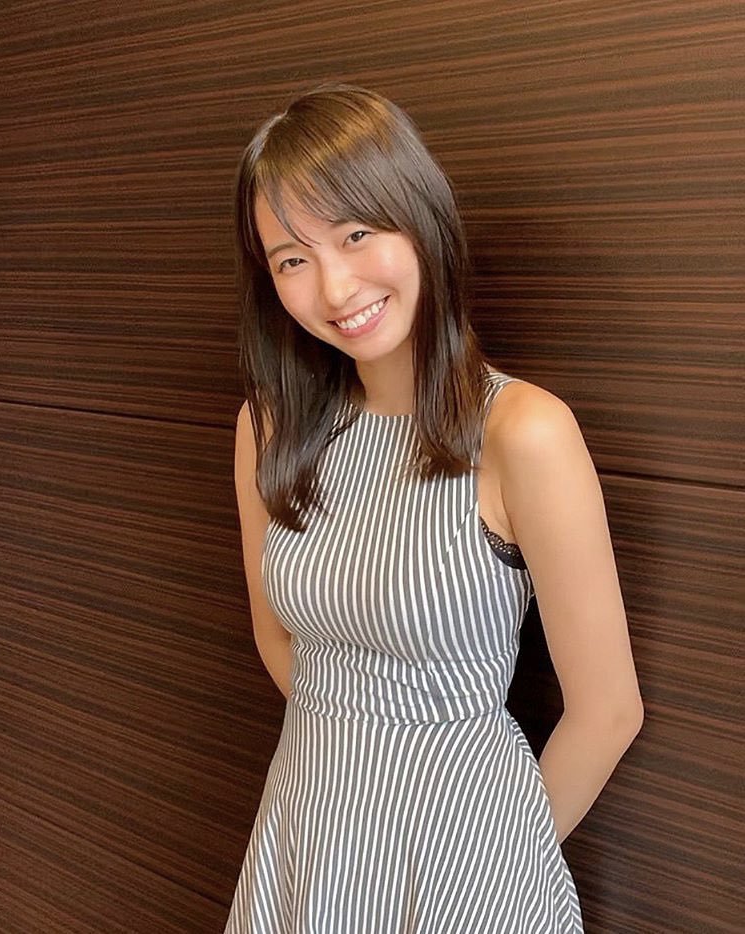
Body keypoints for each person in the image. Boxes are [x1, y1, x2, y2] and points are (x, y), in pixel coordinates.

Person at [225, 82, 644, 934]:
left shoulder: (523, 432)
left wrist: (491, 861)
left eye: (356, 234)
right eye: (293, 259)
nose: (335, 287)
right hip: (306, 826)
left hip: (469, 863)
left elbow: (609, 711)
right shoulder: (269, 425)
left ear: (419, 219)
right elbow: (277, 636)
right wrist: (354, 765)